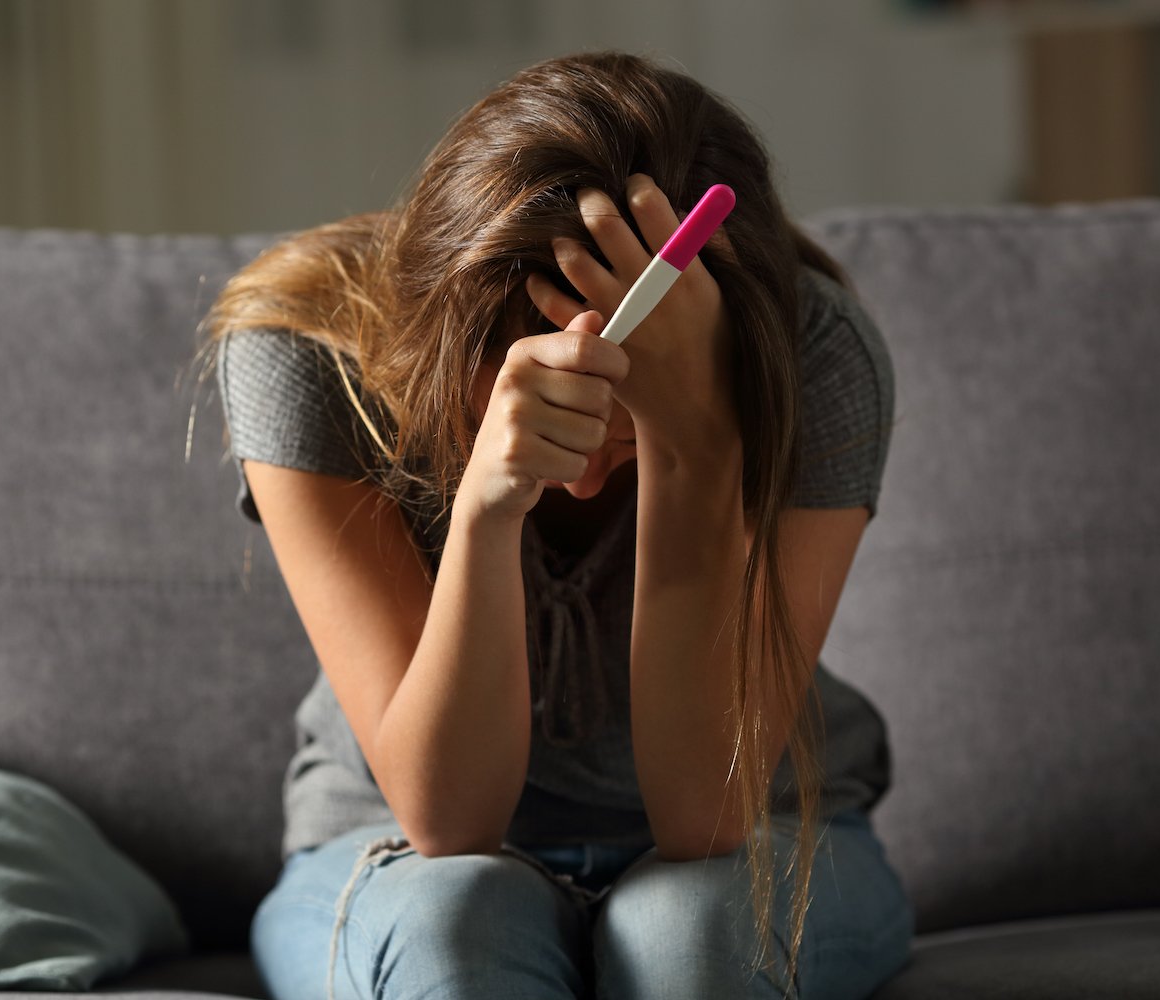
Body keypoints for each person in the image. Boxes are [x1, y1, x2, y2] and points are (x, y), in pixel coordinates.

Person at [194, 49, 912, 1000]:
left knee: (685, 942)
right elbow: (447, 824)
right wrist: (488, 505)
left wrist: (691, 445)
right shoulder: (310, 350)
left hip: (750, 832)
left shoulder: (811, 357)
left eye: (614, 446)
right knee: (459, 933)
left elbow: (703, 818)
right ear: (434, 345)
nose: (581, 482)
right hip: (397, 844)